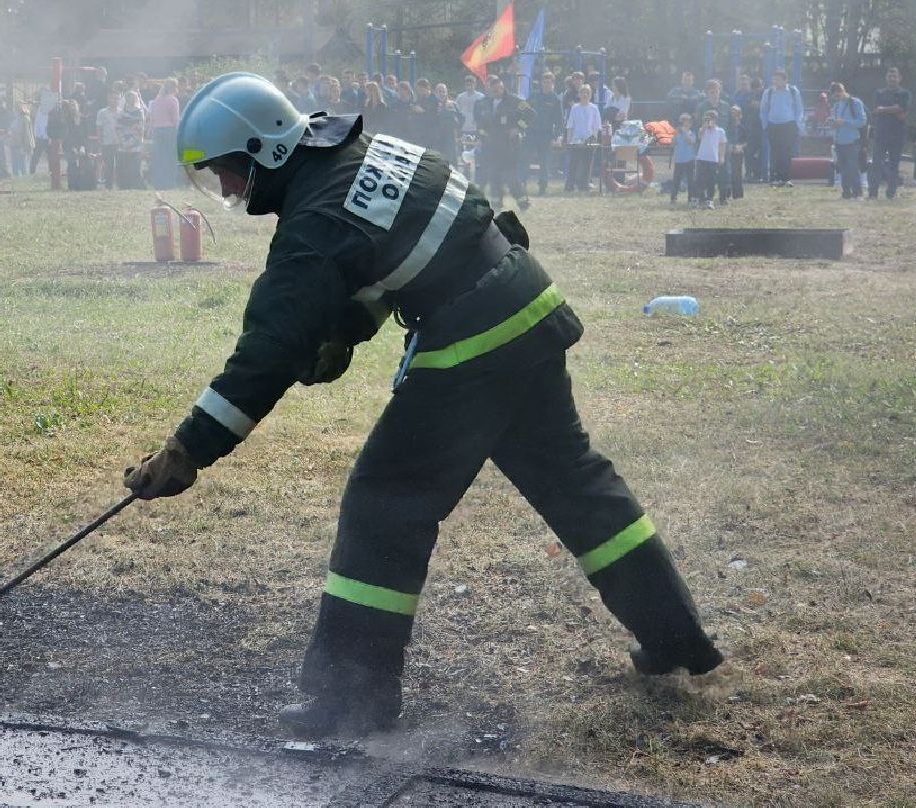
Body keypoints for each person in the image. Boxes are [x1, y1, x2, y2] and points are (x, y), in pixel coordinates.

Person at [123, 72, 722, 737]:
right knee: (575, 483)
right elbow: (419, 236)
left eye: (228, 174)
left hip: (474, 344)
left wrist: (188, 450)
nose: (230, 191)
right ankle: (676, 638)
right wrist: (347, 327)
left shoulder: (315, 222)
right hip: (526, 306)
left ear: (262, 150)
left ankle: (351, 698)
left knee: (385, 506)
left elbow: (265, 353)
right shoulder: (362, 155)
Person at [473, 75, 534, 210]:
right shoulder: (485, 103)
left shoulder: (515, 100)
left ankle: (523, 203)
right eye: (493, 90)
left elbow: (530, 114)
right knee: (493, 176)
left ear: (502, 87)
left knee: (510, 177)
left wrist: (518, 128)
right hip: (492, 147)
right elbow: (482, 124)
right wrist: (481, 137)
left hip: (510, 147)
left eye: (498, 89)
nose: (495, 92)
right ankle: (496, 205)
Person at [867, 66, 910, 200]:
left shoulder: (905, 94)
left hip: (897, 134)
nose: (892, 78)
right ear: (886, 78)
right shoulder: (878, 93)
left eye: (895, 76)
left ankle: (890, 193)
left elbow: (902, 113)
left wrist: (884, 109)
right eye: (890, 76)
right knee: (876, 164)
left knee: (894, 164)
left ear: (899, 78)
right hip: (880, 133)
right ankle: (873, 193)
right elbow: (876, 110)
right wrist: (895, 109)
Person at [759, 70, 802, 188]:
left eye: (778, 79)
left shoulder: (793, 91)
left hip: (789, 125)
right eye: (774, 79)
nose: (775, 82)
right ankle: (774, 178)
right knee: (775, 152)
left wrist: (797, 124)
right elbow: (763, 110)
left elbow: (799, 109)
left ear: (785, 80)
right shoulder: (768, 92)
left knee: (787, 152)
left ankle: (786, 178)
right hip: (773, 125)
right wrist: (765, 126)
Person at [525, 72, 565, 196]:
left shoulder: (556, 99)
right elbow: (524, 112)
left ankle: (542, 187)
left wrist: (556, 136)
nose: (546, 85)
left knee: (544, 163)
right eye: (544, 82)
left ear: (553, 84)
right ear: (541, 83)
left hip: (546, 136)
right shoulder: (533, 96)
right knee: (525, 159)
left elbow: (559, 121)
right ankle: (521, 184)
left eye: (549, 82)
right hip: (531, 134)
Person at [829, 82, 867, 200]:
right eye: (835, 93)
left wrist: (845, 122)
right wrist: (832, 123)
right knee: (843, 169)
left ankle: (858, 193)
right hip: (838, 141)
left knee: (853, 167)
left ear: (844, 90)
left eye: (839, 91)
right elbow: (836, 124)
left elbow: (862, 122)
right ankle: (846, 193)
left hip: (852, 141)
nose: (838, 95)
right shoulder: (836, 106)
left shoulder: (855, 103)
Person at [562, 84, 602, 193]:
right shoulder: (575, 108)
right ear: (579, 94)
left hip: (589, 141)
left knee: (587, 164)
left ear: (590, 95)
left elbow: (596, 126)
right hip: (576, 141)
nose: (585, 94)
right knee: (573, 164)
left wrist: (593, 139)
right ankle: (569, 186)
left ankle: (584, 186)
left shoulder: (594, 108)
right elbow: (570, 125)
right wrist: (569, 141)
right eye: (582, 92)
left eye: (587, 93)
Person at [692, 110, 727, 210]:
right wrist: (705, 126)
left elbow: (722, 144)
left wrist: (722, 156)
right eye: (707, 119)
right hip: (701, 158)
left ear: (716, 120)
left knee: (711, 181)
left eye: (711, 119)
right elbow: (699, 136)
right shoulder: (703, 129)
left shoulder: (720, 131)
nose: (709, 121)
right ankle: (698, 199)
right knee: (699, 180)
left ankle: (709, 200)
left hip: (713, 159)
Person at [666, 113, 697, 204]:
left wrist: (685, 132)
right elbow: (672, 144)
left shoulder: (692, 133)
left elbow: (691, 142)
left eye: (687, 122)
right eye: (683, 122)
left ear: (690, 124)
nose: (684, 124)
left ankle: (691, 198)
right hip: (679, 159)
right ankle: (673, 198)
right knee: (676, 180)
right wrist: (675, 135)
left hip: (690, 159)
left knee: (691, 180)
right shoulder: (677, 133)